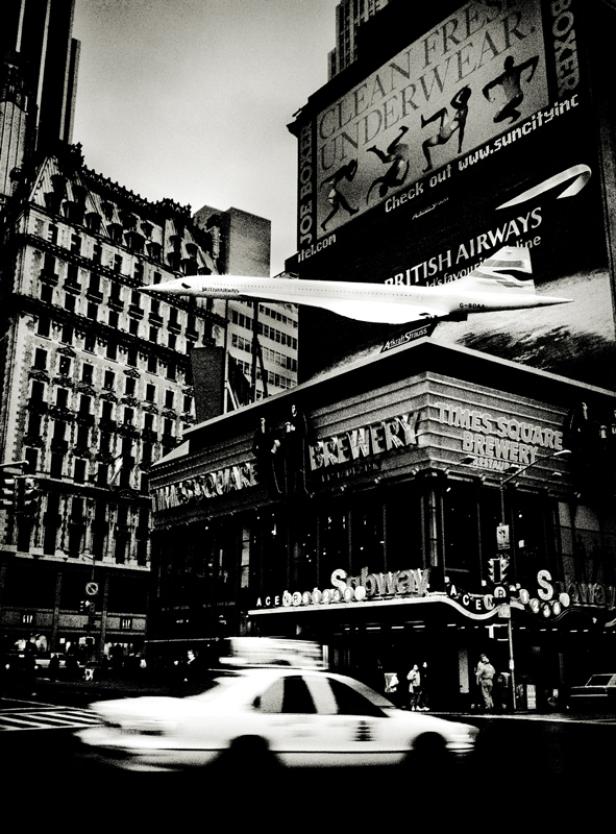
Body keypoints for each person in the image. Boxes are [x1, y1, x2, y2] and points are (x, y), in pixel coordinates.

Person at [420, 85, 472, 172]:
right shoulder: (461, 107)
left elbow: (461, 131)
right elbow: (452, 102)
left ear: (465, 96)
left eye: (462, 94)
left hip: (446, 133)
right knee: (424, 144)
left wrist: (460, 146)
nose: (460, 96)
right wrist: (461, 90)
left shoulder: (464, 110)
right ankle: (429, 165)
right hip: (444, 134)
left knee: (443, 111)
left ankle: (425, 122)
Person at [482, 54, 539, 125]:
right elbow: (484, 89)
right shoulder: (501, 78)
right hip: (509, 101)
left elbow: (535, 58)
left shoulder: (516, 69)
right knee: (496, 119)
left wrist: (531, 74)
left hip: (518, 96)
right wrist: (489, 99)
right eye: (505, 63)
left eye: (508, 62)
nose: (505, 64)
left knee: (506, 107)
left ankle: (515, 113)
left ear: (511, 64)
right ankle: (515, 114)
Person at [366, 125, 410, 201]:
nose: (379, 188)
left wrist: (368, 194)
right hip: (402, 156)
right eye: (380, 190)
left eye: (379, 190)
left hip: (401, 158)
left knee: (385, 159)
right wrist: (407, 166)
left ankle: (375, 149)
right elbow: (402, 181)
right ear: (383, 188)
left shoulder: (387, 181)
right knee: (389, 150)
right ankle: (404, 131)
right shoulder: (387, 181)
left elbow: (374, 183)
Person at [320, 159, 359, 230]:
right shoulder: (345, 168)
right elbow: (350, 179)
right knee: (341, 199)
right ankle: (351, 211)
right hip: (330, 188)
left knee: (336, 207)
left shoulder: (345, 168)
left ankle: (323, 223)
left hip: (330, 189)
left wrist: (323, 181)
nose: (351, 170)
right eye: (352, 168)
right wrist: (356, 168)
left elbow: (334, 175)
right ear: (351, 166)